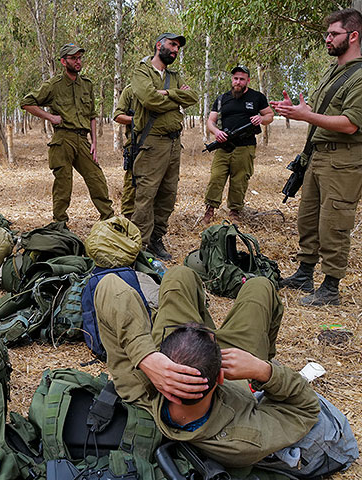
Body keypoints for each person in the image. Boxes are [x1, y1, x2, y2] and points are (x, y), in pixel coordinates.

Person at [94, 265, 321, 468]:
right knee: (261, 286)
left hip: (188, 356)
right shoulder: (242, 439)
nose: (199, 325)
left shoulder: (137, 386)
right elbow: (307, 408)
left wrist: (145, 357)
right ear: (219, 378)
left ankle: (187, 339)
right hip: (240, 368)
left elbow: (108, 285)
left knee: (179, 275)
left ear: (162, 357)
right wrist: (263, 370)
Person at [271, 8, 362, 306]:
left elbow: (350, 123)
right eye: (326, 34)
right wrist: (298, 111)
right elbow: (321, 114)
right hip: (317, 157)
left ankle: (331, 287)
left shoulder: (359, 76)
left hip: (343, 161)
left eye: (333, 34)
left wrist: (307, 115)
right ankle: (304, 273)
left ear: (353, 36)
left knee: (334, 223)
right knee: (308, 219)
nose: (327, 39)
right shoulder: (333, 71)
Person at [21, 43, 114, 223]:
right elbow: (26, 102)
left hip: (83, 139)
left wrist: (94, 142)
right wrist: (49, 117)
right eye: (73, 58)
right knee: (64, 184)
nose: (78, 62)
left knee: (97, 179)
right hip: (63, 140)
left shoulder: (87, 85)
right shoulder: (54, 85)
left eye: (79, 58)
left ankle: (109, 220)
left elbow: (92, 115)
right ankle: (60, 224)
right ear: (64, 62)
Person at [130, 33, 198, 261]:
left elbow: (194, 97)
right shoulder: (142, 72)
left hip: (174, 143)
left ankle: (156, 240)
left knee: (168, 195)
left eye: (178, 47)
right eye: (172, 45)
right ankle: (138, 245)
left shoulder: (173, 76)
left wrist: (169, 93)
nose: (175, 50)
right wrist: (179, 97)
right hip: (152, 143)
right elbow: (149, 100)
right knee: (146, 195)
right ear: (159, 45)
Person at [202, 66, 274, 224]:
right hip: (224, 146)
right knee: (216, 177)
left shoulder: (257, 97)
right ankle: (210, 209)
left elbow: (269, 115)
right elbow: (210, 121)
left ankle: (234, 211)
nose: (238, 82)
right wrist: (216, 132)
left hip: (245, 146)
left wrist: (261, 119)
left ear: (248, 80)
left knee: (239, 179)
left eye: (242, 79)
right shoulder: (222, 99)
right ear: (232, 79)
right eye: (236, 78)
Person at [113, 84, 138, 219]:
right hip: (136, 144)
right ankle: (128, 218)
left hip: (159, 146)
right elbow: (118, 116)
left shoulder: (165, 87)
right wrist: (136, 120)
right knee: (132, 182)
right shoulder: (131, 90)